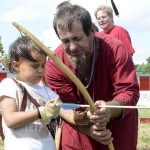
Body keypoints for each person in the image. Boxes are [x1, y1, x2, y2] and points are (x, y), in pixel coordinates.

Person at [45, 4, 140, 150]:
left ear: (91, 31)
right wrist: (88, 128)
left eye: (77, 38)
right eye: (65, 41)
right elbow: (64, 106)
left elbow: (129, 92)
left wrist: (108, 109)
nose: (72, 47)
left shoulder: (115, 49)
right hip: (78, 134)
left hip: (118, 131)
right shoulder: (54, 64)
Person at [0, 36, 62, 150]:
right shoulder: (9, 84)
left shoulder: (47, 90)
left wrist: (83, 116)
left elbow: (64, 110)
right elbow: (10, 119)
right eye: (35, 66)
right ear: (16, 65)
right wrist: (42, 111)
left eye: (43, 65)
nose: (40, 70)